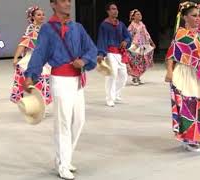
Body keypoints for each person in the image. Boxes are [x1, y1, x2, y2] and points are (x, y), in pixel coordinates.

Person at [22, 0, 97, 179]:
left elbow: (91, 49)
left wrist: (84, 61)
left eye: (69, 0)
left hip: (78, 79)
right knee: (63, 123)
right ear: (53, 4)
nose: (68, 3)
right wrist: (30, 75)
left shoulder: (78, 27)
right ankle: (63, 164)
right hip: (60, 79)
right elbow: (39, 53)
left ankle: (64, 157)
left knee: (79, 120)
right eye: (63, 0)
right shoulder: (47, 29)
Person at [165, 1, 200, 152]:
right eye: (193, 15)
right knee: (187, 104)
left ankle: (198, 135)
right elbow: (171, 55)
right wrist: (169, 72)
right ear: (184, 17)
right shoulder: (180, 35)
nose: (197, 18)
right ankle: (188, 137)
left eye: (198, 15)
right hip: (185, 73)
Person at [10, 6, 52, 109]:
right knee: (36, 80)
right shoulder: (31, 28)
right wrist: (16, 58)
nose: (42, 16)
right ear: (32, 17)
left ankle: (41, 105)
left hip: (44, 58)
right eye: (38, 15)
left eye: (43, 14)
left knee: (45, 81)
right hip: (33, 57)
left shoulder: (45, 28)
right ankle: (35, 105)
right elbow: (24, 43)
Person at [97, 2, 132, 107]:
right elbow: (101, 40)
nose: (115, 11)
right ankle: (109, 98)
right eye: (112, 9)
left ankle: (115, 94)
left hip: (120, 53)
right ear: (108, 11)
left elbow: (128, 36)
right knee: (112, 75)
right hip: (110, 53)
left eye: (116, 9)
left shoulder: (120, 24)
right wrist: (101, 54)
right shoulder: (104, 25)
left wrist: (126, 41)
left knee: (123, 76)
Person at [127, 9, 156, 86]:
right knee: (135, 61)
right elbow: (128, 36)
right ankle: (134, 78)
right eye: (138, 14)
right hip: (135, 45)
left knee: (142, 61)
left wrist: (152, 42)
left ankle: (138, 76)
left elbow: (147, 34)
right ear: (133, 17)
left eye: (140, 14)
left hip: (143, 45)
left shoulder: (142, 24)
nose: (140, 15)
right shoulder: (131, 25)